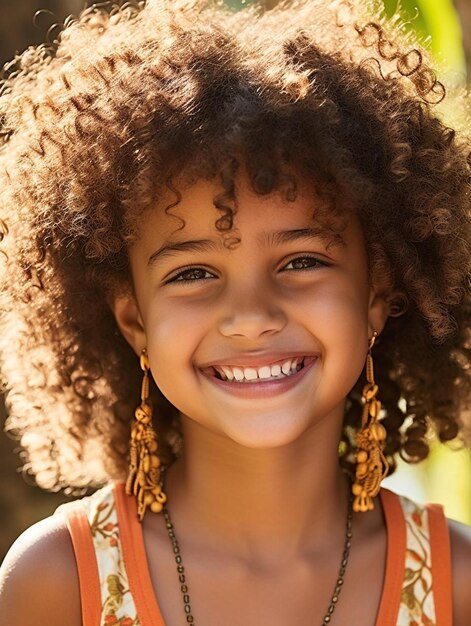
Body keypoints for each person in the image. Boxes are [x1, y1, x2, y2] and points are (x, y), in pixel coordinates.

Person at [0, 0, 470, 624]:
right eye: (193, 274)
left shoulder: (456, 584)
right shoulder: (59, 581)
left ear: (377, 293)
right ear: (134, 319)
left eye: (302, 261)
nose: (250, 317)